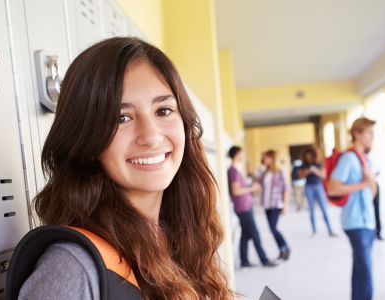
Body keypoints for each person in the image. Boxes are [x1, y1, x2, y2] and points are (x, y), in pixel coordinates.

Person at [18, 37, 232, 299]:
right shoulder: (74, 268)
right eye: (122, 117)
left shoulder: (183, 239)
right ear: (86, 139)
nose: (151, 136)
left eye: (163, 110)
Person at [328, 117, 377, 300]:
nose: (372, 137)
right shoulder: (348, 158)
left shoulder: (365, 159)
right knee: (365, 270)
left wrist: (370, 181)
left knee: (360, 268)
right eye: (369, 133)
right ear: (357, 133)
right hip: (355, 222)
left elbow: (371, 193)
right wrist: (362, 183)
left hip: (368, 221)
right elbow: (333, 187)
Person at [228, 146, 276, 268]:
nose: (244, 155)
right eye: (242, 153)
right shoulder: (233, 171)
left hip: (244, 205)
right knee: (255, 234)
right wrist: (252, 188)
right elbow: (236, 191)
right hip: (242, 207)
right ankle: (264, 260)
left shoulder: (235, 170)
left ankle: (244, 261)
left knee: (245, 234)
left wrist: (249, 186)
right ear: (237, 154)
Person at [259, 150, 290, 260]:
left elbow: (286, 189)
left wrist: (285, 205)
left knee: (273, 229)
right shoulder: (265, 172)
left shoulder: (280, 171)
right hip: (267, 204)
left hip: (276, 204)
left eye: (266, 157)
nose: (264, 159)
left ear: (272, 158)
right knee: (272, 229)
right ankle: (282, 250)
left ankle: (285, 248)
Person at [299, 147, 336, 237]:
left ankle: (330, 230)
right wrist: (307, 171)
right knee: (311, 210)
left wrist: (315, 170)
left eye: (310, 155)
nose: (308, 157)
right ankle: (314, 231)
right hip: (308, 187)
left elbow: (323, 175)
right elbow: (300, 176)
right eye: (307, 155)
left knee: (324, 209)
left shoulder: (319, 164)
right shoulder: (304, 165)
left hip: (318, 186)